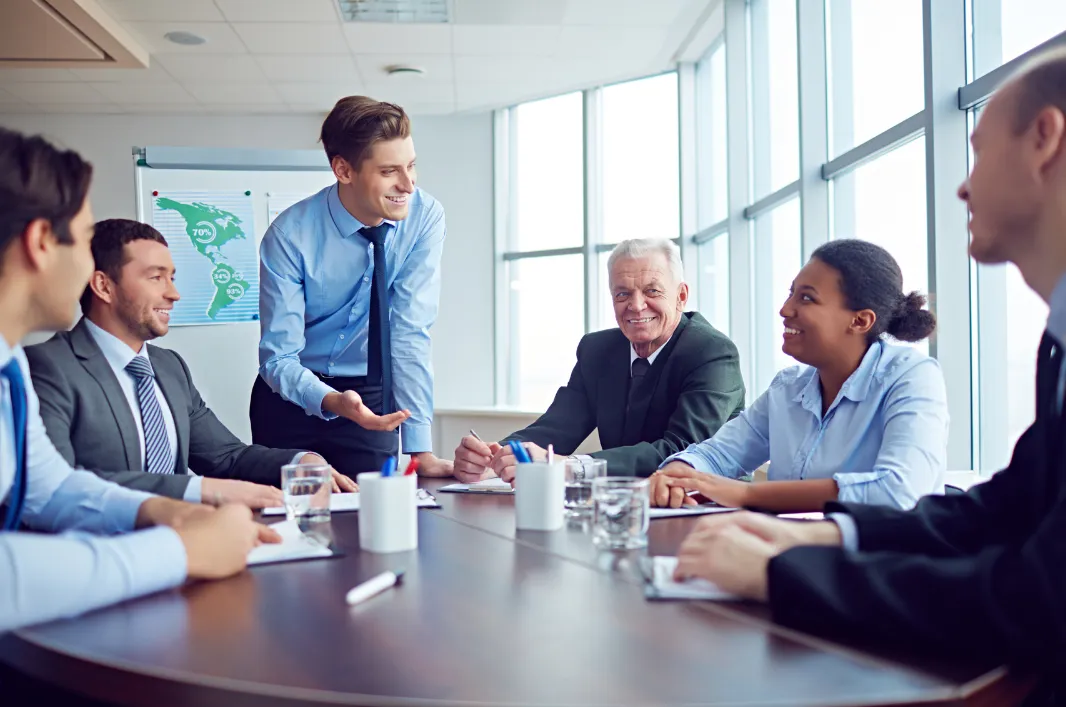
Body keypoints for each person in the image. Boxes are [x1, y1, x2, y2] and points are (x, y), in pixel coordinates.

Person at [671, 48, 1066, 694]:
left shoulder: (919, 375)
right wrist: (824, 537)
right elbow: (995, 511)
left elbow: (1038, 594)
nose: (963, 185)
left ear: (1045, 139)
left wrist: (784, 569)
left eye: (979, 149)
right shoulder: (1058, 344)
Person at [0, 127, 278, 632]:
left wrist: (174, 513)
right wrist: (178, 548)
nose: (173, 293)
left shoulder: (9, 364)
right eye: (84, 241)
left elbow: (51, 487)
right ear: (42, 242)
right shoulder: (42, 364)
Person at [25, 219, 356, 509]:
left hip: (186, 542)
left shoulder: (169, 368)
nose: (174, 294)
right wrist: (201, 490)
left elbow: (226, 457)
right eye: (156, 278)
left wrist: (301, 463)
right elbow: (61, 484)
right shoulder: (48, 367)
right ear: (103, 286)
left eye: (172, 277)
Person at [649, 240, 949, 512]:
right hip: (793, 554)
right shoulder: (788, 387)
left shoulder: (912, 377)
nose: (784, 309)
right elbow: (717, 455)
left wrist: (747, 495)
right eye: (791, 293)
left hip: (883, 565)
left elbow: (899, 491)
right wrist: (676, 472)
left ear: (860, 320)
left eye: (806, 298)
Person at [252, 96, 452, 478]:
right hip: (291, 400)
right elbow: (278, 358)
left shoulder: (424, 218)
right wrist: (330, 400)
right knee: (289, 522)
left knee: (373, 520)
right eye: (390, 171)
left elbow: (410, 332)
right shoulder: (290, 236)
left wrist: (420, 449)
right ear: (343, 170)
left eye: (411, 166)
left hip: (371, 400)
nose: (408, 184)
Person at [454, 238, 745, 483]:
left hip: (706, 508)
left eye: (652, 291)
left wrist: (570, 466)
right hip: (623, 505)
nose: (637, 305)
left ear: (681, 296)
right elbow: (558, 427)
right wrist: (495, 457)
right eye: (623, 293)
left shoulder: (712, 352)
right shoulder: (598, 350)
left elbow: (680, 450)